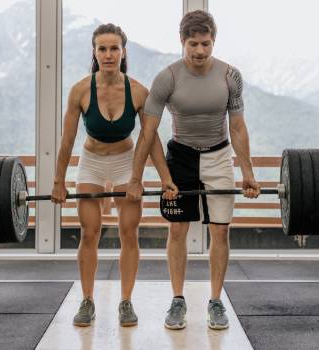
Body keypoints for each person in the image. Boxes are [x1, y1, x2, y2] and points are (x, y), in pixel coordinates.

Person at [126, 10, 260, 330]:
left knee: (220, 230)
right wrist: (137, 179)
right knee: (177, 230)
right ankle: (177, 300)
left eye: (206, 44)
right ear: (181, 41)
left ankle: (215, 301)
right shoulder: (167, 78)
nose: (200, 51)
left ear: (213, 41)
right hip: (181, 157)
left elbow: (238, 127)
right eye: (193, 44)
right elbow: (147, 132)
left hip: (218, 155)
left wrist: (248, 173)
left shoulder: (230, 76)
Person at [51, 23, 177, 327]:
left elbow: (151, 138)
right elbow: (67, 141)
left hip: (125, 161)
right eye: (102, 49)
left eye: (114, 48)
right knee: (89, 233)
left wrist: (165, 179)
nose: (108, 54)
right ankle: (87, 300)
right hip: (92, 161)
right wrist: (58, 182)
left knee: (128, 232)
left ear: (123, 51)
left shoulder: (138, 91)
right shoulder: (81, 90)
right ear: (95, 53)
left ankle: (126, 301)